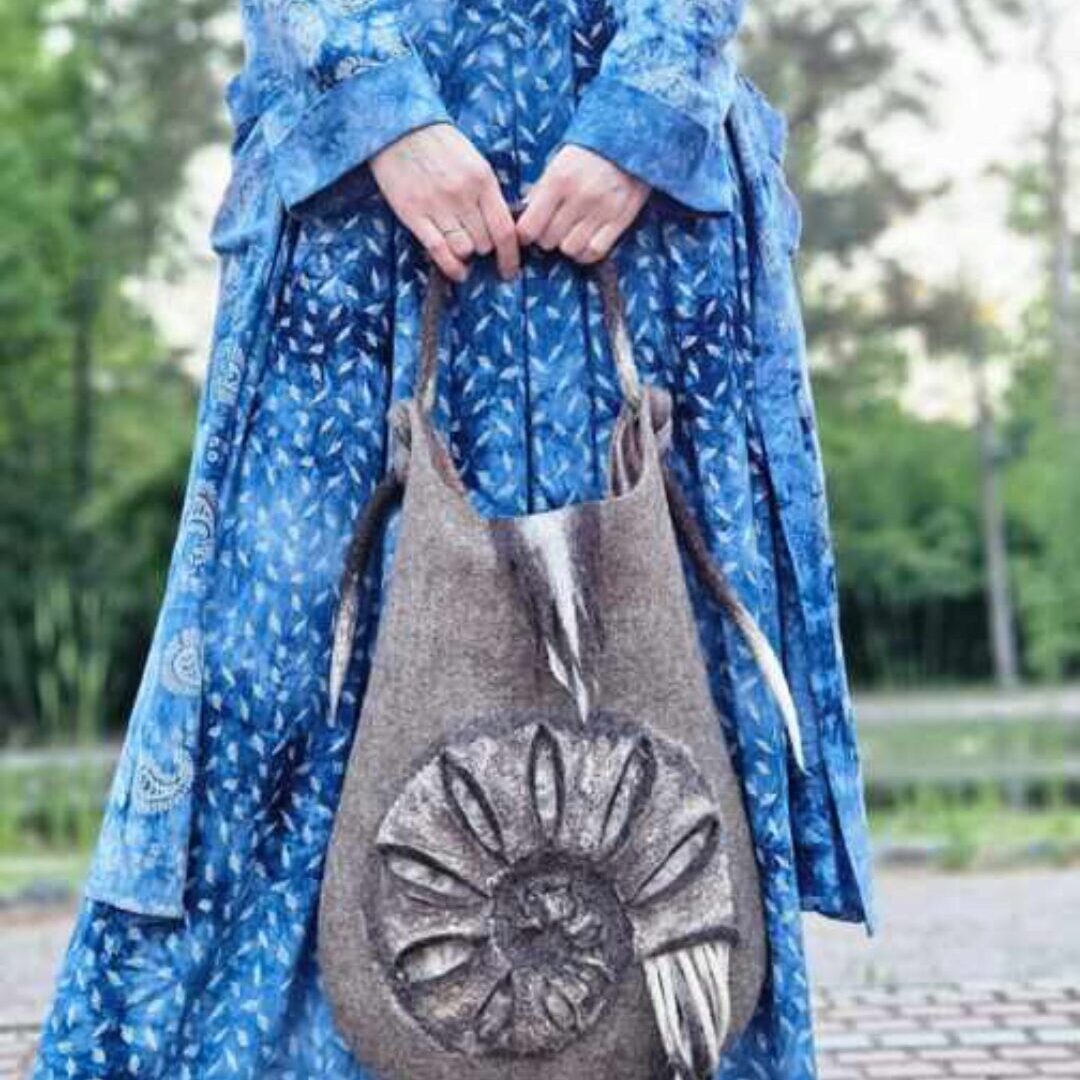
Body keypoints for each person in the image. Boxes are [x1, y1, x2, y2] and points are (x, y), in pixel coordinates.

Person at [31, 0, 874, 1076]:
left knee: (660, 681)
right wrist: (379, 105)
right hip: (358, 224)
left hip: (639, 222)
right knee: (281, 690)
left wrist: (646, 108)